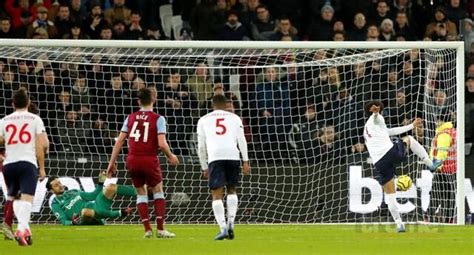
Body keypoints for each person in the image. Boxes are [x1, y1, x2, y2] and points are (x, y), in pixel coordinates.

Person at [107, 87, 179, 238]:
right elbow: (162, 143)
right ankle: (160, 229)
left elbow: (119, 141)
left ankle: (147, 230)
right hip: (149, 158)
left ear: (138, 101)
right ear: (154, 99)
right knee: (158, 190)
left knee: (141, 192)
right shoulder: (158, 119)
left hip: (132, 159)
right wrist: (170, 156)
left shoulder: (130, 118)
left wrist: (111, 163)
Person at [363, 100, 441, 233]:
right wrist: (376, 113)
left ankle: (399, 224)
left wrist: (411, 125)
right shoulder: (377, 118)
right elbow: (376, 118)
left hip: (379, 163)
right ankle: (430, 165)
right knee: (409, 139)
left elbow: (391, 131)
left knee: (390, 194)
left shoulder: (368, 127)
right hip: (389, 153)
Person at [0, 88, 49, 246]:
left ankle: (23, 229)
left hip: (8, 165)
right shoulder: (34, 119)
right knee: (27, 198)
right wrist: (42, 168)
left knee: (14, 196)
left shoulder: (4, 120)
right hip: (27, 163)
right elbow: (41, 145)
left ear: (13, 103)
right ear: (28, 103)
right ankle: (21, 229)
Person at [197, 95, 250, 240]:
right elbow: (242, 140)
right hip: (233, 155)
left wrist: (203, 165)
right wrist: (245, 161)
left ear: (212, 105)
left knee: (216, 194)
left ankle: (223, 228)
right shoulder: (235, 118)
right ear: (226, 105)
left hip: (215, 157)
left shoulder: (204, 119)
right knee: (232, 190)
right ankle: (231, 223)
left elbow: (201, 146)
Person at [46, 172, 135, 225]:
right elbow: (64, 221)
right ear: (51, 190)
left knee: (110, 187)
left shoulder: (73, 191)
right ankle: (120, 213)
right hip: (85, 218)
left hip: (96, 206)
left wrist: (100, 183)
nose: (60, 186)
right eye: (56, 185)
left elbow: (93, 195)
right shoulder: (55, 204)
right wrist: (72, 222)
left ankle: (141, 192)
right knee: (85, 212)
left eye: (60, 183)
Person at [428, 112, 456, 223]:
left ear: (441, 120)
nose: (435, 122)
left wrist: (436, 164)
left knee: (436, 195)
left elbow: (442, 151)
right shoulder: (453, 131)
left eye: (437, 120)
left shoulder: (444, 134)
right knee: (450, 196)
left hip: (443, 169)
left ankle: (429, 217)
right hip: (453, 169)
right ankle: (449, 218)